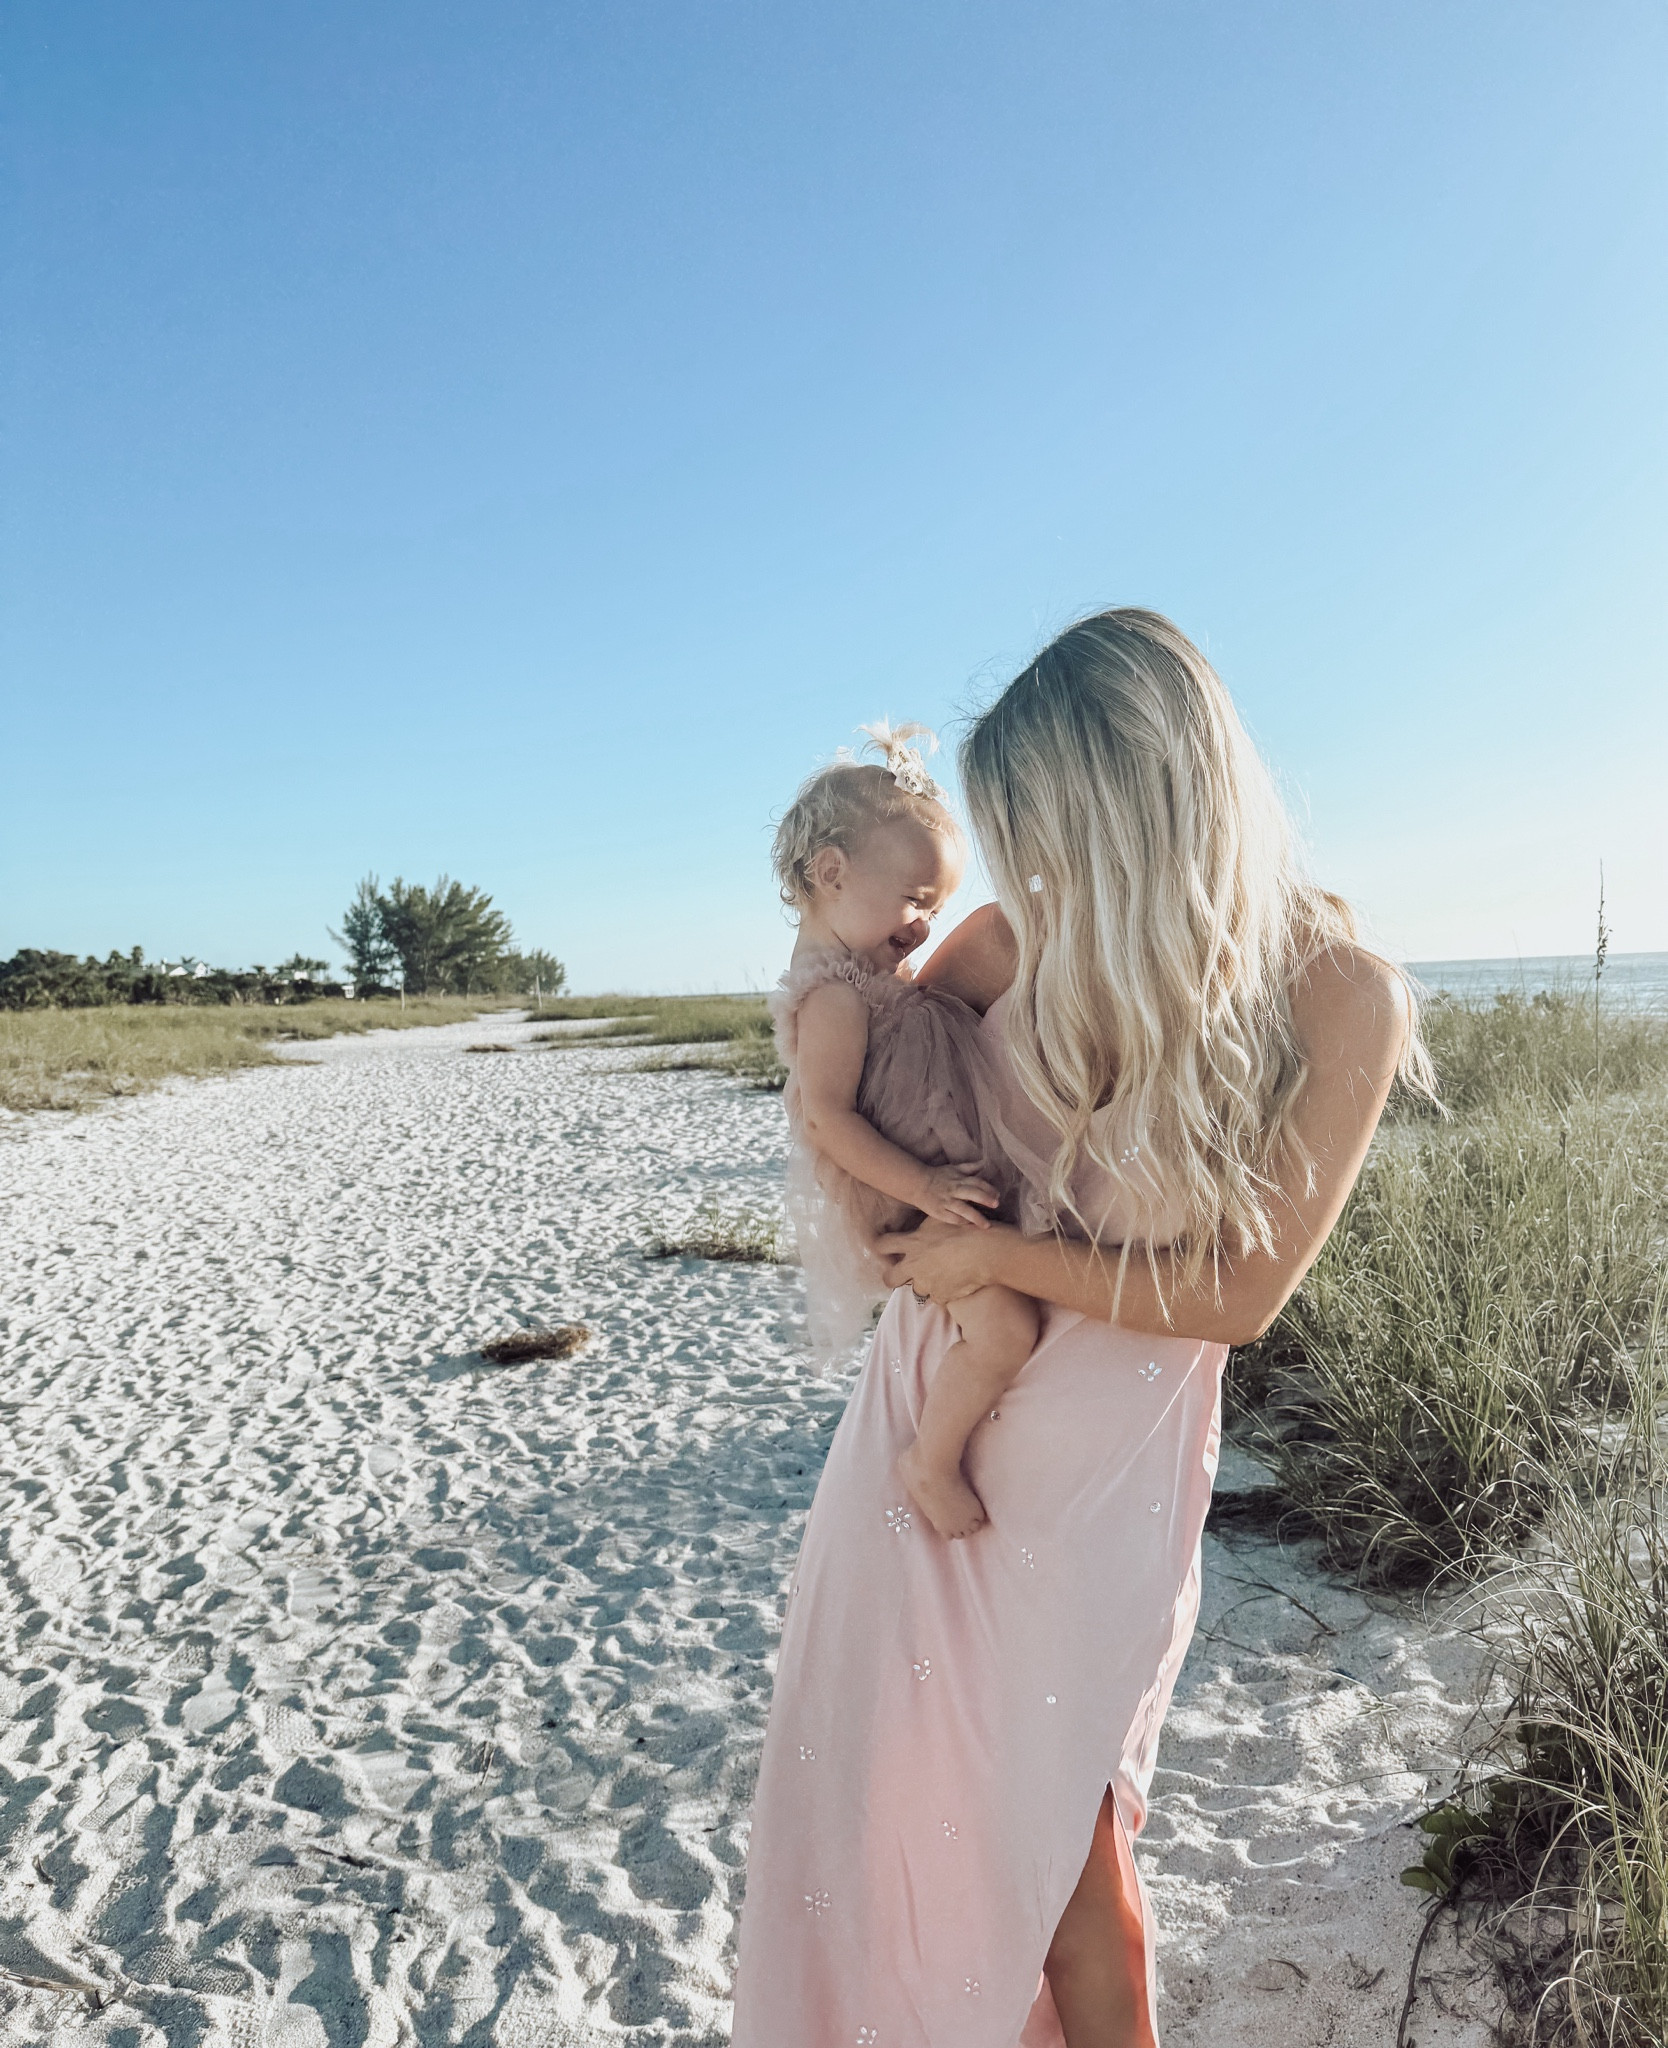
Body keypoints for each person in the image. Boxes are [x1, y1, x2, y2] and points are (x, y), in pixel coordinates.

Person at [730, 609, 1429, 2048]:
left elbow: (1243, 1294)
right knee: (888, 1799)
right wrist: (909, 1230)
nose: (1028, 868)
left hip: (1107, 1462)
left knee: (1067, 1837)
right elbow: (855, 1096)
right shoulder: (1005, 943)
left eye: (1044, 826)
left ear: (1142, 796)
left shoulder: (1335, 993)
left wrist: (1001, 1252)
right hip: (933, 1417)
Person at [769, 722, 1045, 1540]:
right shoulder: (832, 997)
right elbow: (826, 1119)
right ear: (832, 873)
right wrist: (923, 1187)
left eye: (938, 908)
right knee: (1005, 1331)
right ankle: (932, 1459)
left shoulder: (865, 974)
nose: (924, 924)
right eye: (916, 898)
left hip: (928, 1174)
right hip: (904, 1194)